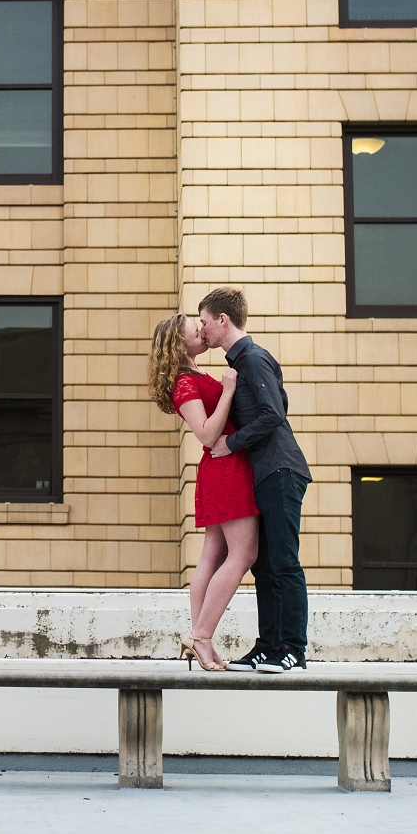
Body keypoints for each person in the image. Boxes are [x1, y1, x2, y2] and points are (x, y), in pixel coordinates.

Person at [196, 288, 313, 673]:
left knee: (283, 562)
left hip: (280, 469)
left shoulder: (253, 358)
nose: (202, 330)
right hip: (263, 473)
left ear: (223, 320)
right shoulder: (239, 364)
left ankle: (293, 649)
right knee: (263, 566)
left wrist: (233, 443)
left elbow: (274, 413)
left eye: (205, 322)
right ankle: (267, 646)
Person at [150, 312, 259, 672]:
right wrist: (228, 390)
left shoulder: (193, 375)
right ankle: (201, 636)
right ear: (179, 345)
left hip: (225, 468)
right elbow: (206, 434)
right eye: (194, 331)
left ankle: (201, 641)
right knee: (243, 554)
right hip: (223, 469)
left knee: (213, 555)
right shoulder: (183, 383)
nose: (201, 332)